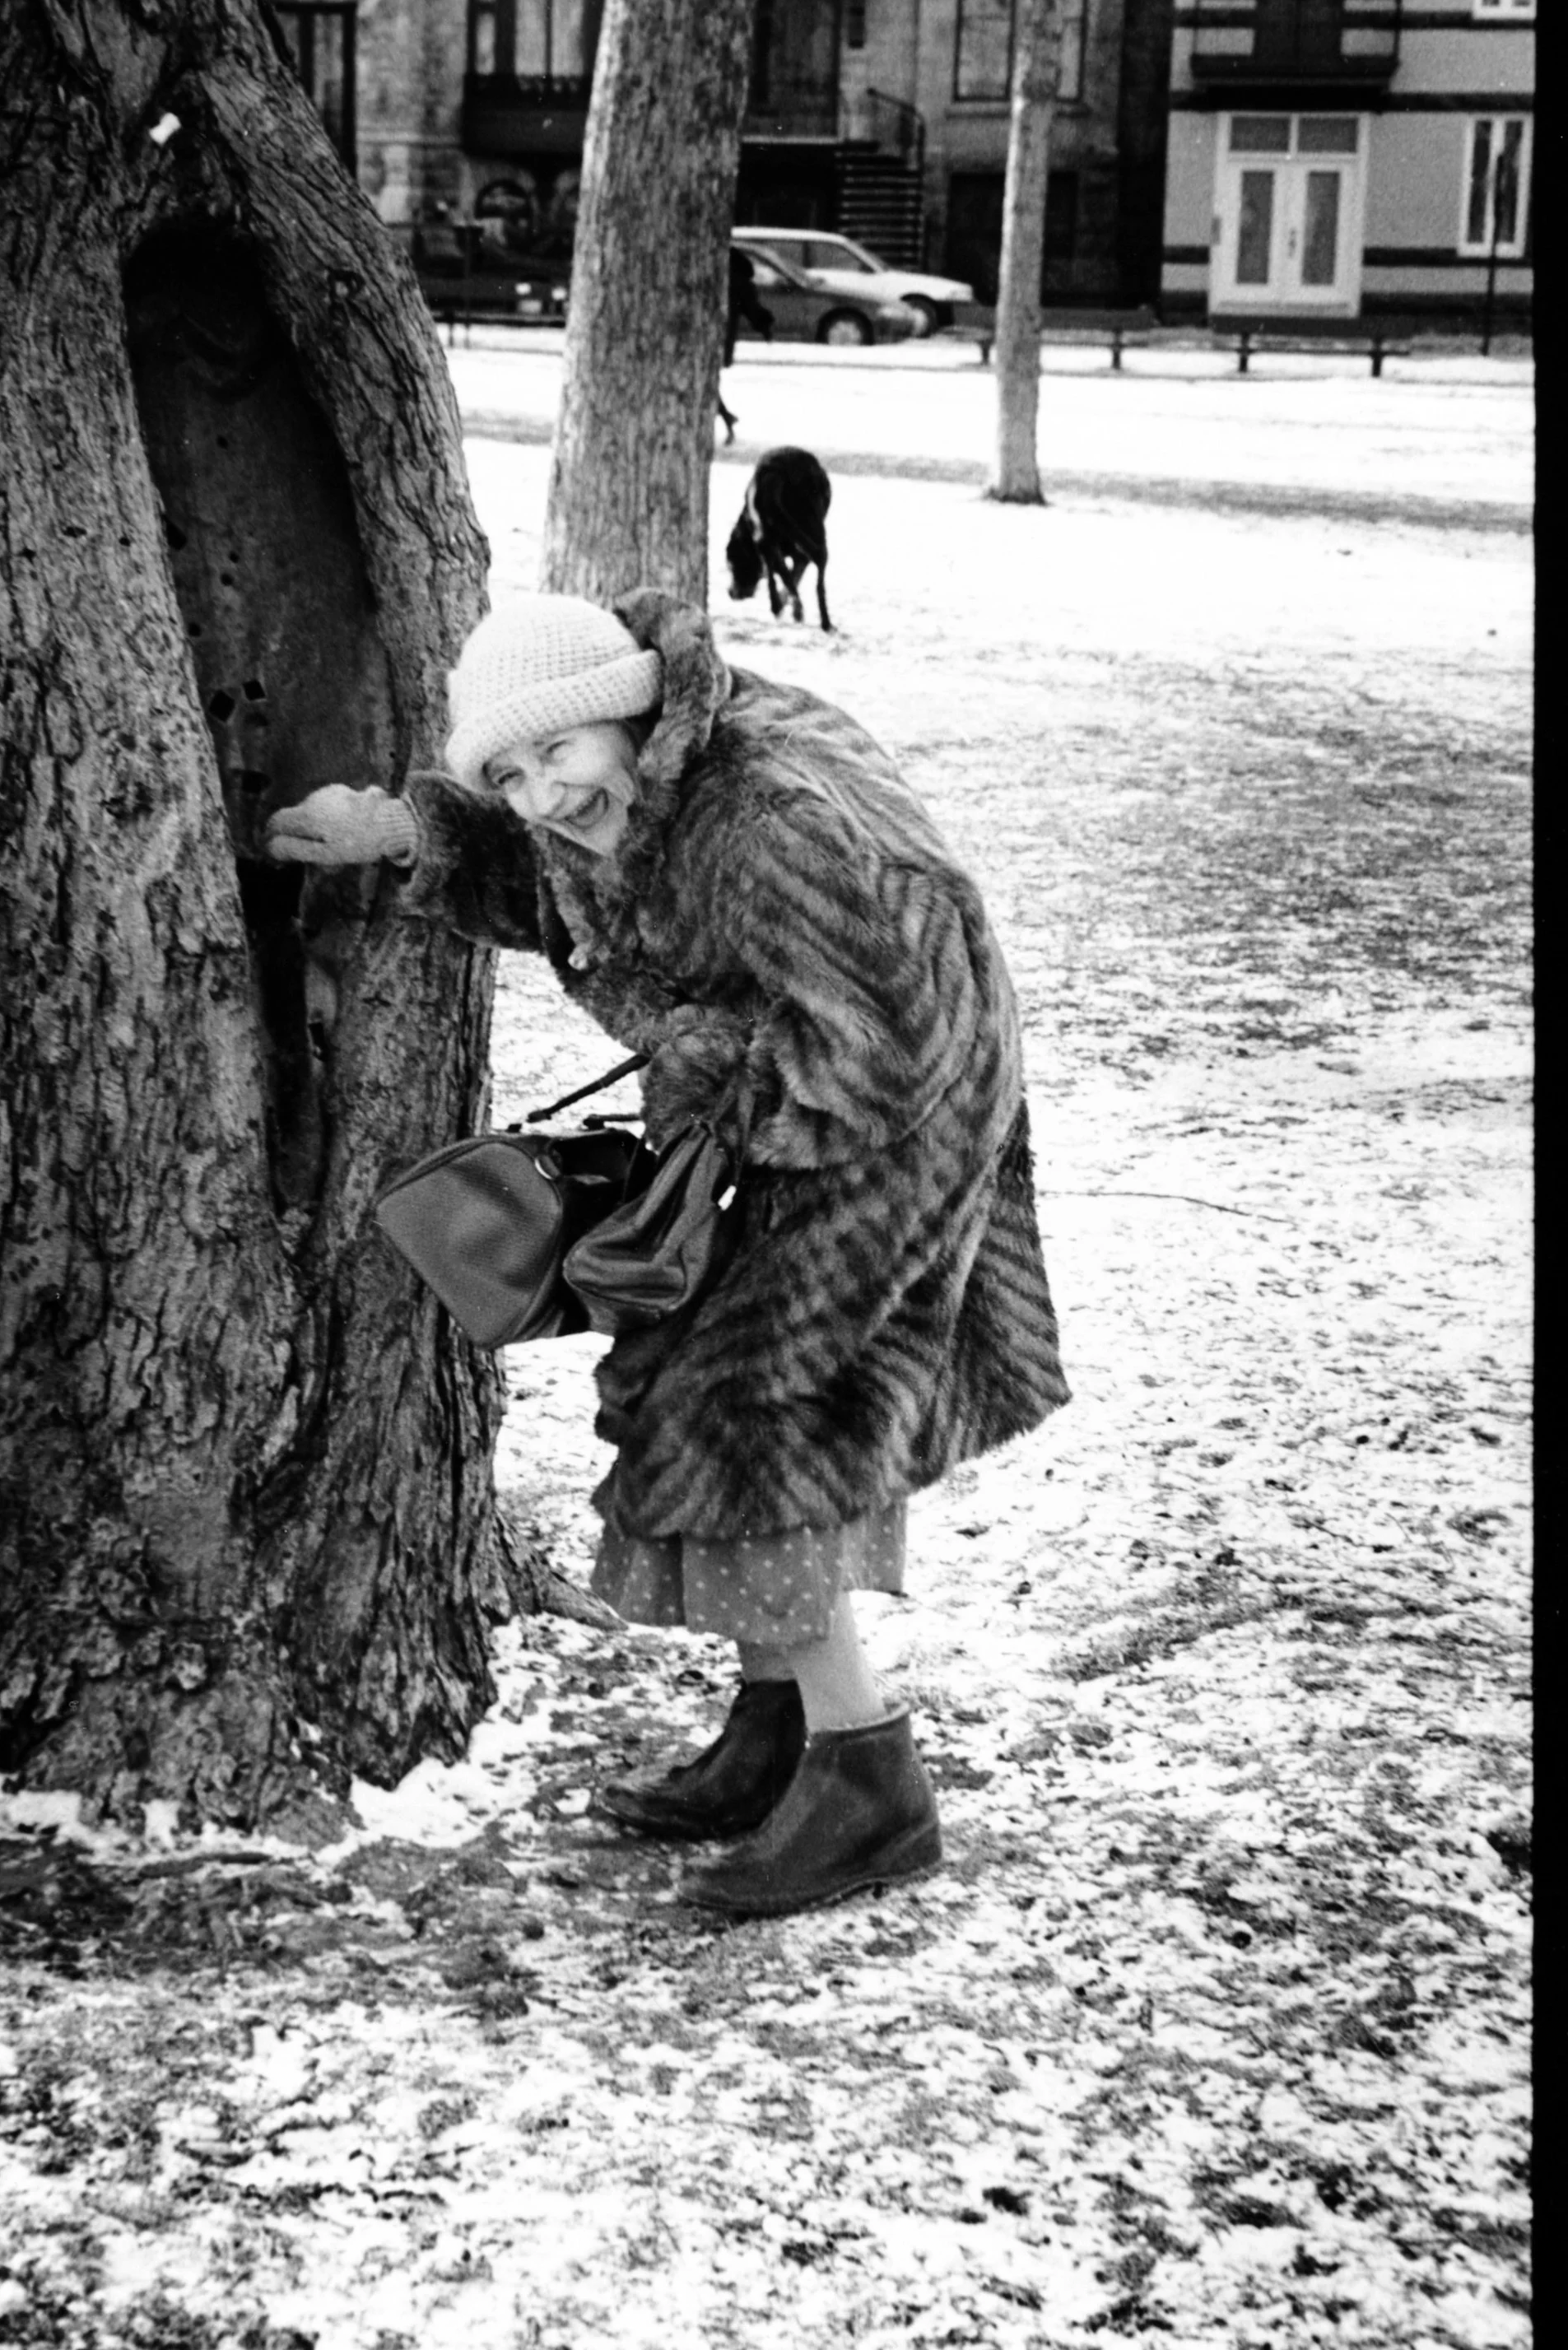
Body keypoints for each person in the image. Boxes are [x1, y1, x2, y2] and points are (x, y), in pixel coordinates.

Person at [264, 592, 1068, 1919]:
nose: (540, 793)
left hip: (891, 1110)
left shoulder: (765, 822)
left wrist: (707, 1071)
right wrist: (409, 829)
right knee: (701, 1374)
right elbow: (563, 877)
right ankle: (779, 1734)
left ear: (627, 707)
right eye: (506, 774)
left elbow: (885, 1044)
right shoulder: (646, 775)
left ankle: (870, 1782)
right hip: (798, 1087)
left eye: (554, 756)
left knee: (755, 1410)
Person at [718, 247, 773, 441]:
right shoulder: (743, 283)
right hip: (723, 339)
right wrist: (765, 328)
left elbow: (752, 310)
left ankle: (726, 416)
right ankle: (726, 416)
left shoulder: (725, 278)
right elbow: (753, 311)